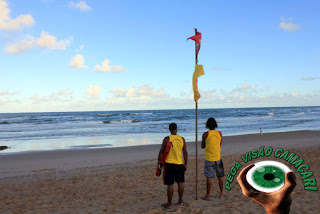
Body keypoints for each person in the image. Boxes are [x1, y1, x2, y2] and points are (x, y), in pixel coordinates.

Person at [157, 123, 188, 209]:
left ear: (169, 129)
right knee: (180, 183)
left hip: (169, 164)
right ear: (176, 129)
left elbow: (161, 152)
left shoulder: (167, 139)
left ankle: (169, 204)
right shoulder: (182, 139)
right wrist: (186, 163)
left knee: (170, 184)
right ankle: (180, 201)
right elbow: (185, 152)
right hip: (179, 163)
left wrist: (159, 164)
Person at [201, 117, 224, 200]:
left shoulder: (205, 134)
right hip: (218, 158)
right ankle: (221, 193)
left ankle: (208, 195)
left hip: (209, 158)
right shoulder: (219, 133)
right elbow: (220, 144)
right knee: (220, 177)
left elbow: (202, 146)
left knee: (209, 177)